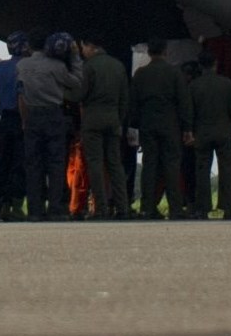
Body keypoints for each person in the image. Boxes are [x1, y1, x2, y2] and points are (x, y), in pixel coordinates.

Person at [18, 33, 79, 222]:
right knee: (55, 163)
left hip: (32, 114)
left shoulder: (22, 66)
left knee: (33, 164)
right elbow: (76, 82)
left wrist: (24, 119)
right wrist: (75, 57)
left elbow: (20, 95)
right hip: (54, 114)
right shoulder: (57, 66)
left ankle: (35, 209)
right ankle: (56, 207)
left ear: (29, 46)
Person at [130, 42, 187, 219]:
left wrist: (135, 125)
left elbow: (133, 103)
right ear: (166, 52)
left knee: (149, 166)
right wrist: (187, 127)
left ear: (148, 52)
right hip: (170, 125)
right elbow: (184, 101)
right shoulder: (174, 73)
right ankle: (175, 208)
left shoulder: (140, 74)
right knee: (172, 166)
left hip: (148, 125)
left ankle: (147, 207)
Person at [75, 37, 128, 219]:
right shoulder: (118, 66)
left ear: (90, 46)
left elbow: (80, 94)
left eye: (83, 47)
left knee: (95, 164)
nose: (83, 51)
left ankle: (101, 207)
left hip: (92, 121)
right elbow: (124, 98)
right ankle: (123, 207)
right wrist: (118, 120)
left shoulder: (88, 67)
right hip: (113, 119)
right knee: (115, 164)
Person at [182, 49, 231, 220]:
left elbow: (188, 112)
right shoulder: (227, 84)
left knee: (202, 172)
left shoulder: (193, 86)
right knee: (227, 170)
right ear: (215, 64)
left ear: (200, 66)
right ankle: (226, 208)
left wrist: (188, 132)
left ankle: (203, 208)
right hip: (223, 132)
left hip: (202, 133)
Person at [0, 35, 27, 218]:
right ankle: (17, 205)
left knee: (2, 162)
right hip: (22, 117)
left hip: (4, 118)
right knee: (20, 163)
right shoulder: (26, 67)